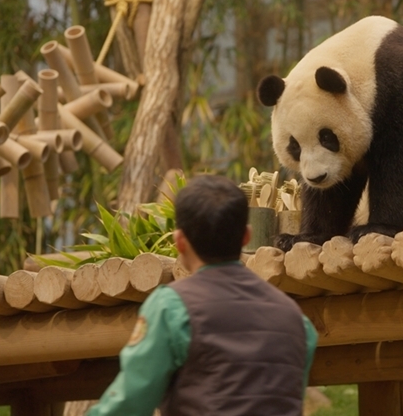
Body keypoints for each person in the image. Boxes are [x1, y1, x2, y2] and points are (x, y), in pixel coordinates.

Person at [88, 174, 318, 416]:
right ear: (246, 236)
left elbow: (129, 402)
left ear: (179, 241)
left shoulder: (171, 308)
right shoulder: (296, 320)